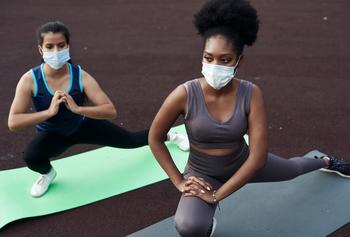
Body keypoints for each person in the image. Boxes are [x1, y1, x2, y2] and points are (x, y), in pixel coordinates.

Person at [148, 0, 350, 236]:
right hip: (202, 174)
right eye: (208, 57)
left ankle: (325, 161)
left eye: (224, 60)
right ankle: (206, 224)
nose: (215, 65)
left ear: (238, 61)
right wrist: (180, 181)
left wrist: (216, 196)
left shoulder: (250, 93)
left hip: (245, 163)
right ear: (202, 56)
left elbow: (258, 158)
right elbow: (155, 138)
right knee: (189, 227)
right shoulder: (183, 94)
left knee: (293, 168)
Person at [7, 21, 189, 198]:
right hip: (52, 134)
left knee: (131, 140)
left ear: (68, 46)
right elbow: (13, 122)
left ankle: (168, 135)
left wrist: (77, 109)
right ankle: (47, 174)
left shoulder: (80, 76)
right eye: (50, 46)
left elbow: (110, 110)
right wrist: (48, 113)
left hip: (83, 126)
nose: (56, 51)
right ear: (41, 50)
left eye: (61, 46)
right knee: (32, 156)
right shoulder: (30, 79)